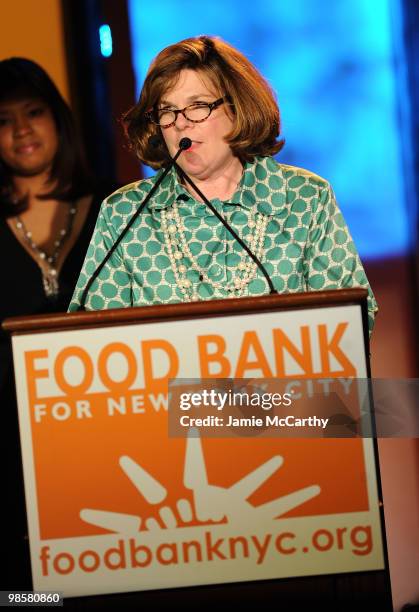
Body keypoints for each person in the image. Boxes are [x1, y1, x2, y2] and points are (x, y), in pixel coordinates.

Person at [69, 35, 377, 333]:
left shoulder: (305, 199)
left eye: (198, 106)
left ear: (237, 107)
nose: (181, 122)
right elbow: (94, 335)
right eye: (167, 111)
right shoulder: (125, 215)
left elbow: (351, 322)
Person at [0, 57, 114, 589]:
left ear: (58, 120)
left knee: (101, 585)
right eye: (2, 120)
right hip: (12, 463)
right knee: (28, 596)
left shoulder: (118, 209)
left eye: (34, 112)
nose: (21, 130)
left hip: (108, 443)